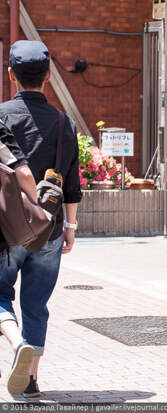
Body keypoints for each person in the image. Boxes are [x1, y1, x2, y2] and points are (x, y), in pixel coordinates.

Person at [0, 40, 82, 397]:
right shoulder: (65, 122)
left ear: (10, 75)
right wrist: (70, 227)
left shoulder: (1, 116)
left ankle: (17, 342)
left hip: (4, 230)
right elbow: (74, 183)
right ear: (48, 76)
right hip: (48, 226)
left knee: (0, 294)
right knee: (37, 303)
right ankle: (32, 379)